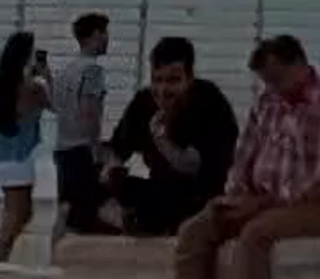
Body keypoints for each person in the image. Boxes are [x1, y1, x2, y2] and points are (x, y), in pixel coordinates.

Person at [135, 28, 320, 279]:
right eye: (268, 81)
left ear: (299, 65)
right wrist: (236, 195)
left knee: (255, 236)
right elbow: (246, 153)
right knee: (197, 229)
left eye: (278, 79)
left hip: (314, 204)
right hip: (260, 198)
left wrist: (262, 204)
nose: (274, 87)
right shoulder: (268, 102)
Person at [100, 35, 238, 239]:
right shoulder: (145, 101)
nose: (163, 90)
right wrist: (110, 170)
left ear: (189, 79)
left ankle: (146, 222)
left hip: (200, 195)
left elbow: (192, 166)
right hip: (159, 189)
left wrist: (161, 139)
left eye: (173, 81)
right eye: (157, 80)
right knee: (87, 181)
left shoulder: (209, 101)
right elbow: (118, 148)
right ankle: (132, 219)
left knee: (176, 199)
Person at [0, 30, 51, 258]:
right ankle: (0, 252)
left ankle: (1, 251)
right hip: (16, 157)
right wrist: (46, 78)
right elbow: (53, 104)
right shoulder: (30, 87)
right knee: (17, 212)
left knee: (21, 211)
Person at [53, 8, 119, 231]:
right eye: (104, 33)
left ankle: (55, 250)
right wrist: (96, 150)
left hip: (63, 146)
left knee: (67, 205)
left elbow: (58, 106)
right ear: (94, 35)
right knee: (83, 211)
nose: (108, 38)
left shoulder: (67, 70)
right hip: (81, 148)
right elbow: (88, 111)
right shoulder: (93, 70)